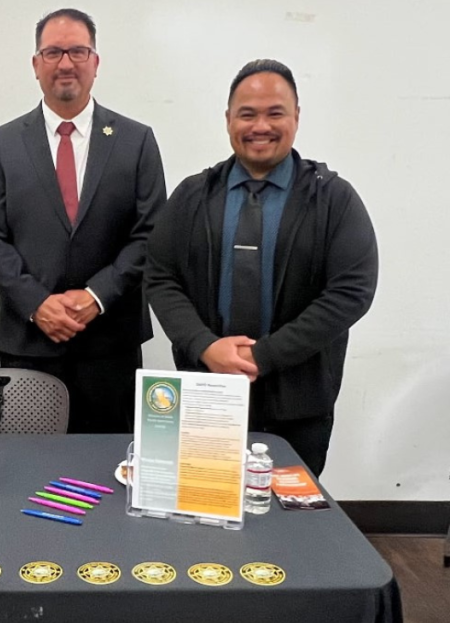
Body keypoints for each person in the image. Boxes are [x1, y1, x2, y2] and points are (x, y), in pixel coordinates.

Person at [145, 59, 378, 475]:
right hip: (208, 393)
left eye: (275, 113)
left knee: (289, 523)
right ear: (228, 119)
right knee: (206, 513)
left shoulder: (333, 200)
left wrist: (263, 356)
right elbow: (161, 278)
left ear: (297, 117)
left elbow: (351, 292)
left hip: (299, 403)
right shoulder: (193, 196)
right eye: (247, 114)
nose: (260, 126)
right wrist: (203, 345)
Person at [0, 8, 166, 433]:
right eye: (53, 52)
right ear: (36, 64)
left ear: (96, 62)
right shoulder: (2, 143)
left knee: (108, 471)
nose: (65, 63)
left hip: (110, 341)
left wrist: (96, 296)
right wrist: (36, 303)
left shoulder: (136, 141)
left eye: (78, 51)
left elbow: (151, 233)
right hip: (29, 342)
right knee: (28, 469)